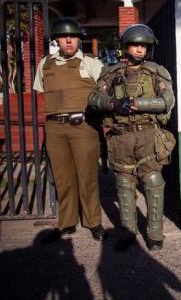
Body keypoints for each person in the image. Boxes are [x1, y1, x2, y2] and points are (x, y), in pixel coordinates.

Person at [88, 24, 175, 251]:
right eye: (135, 45)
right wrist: (114, 103)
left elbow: (168, 101)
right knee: (124, 183)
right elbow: (94, 98)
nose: (139, 50)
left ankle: (155, 235)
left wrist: (138, 104)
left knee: (153, 181)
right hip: (120, 137)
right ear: (126, 47)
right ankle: (127, 233)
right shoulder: (111, 73)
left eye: (143, 46)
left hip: (148, 134)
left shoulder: (157, 72)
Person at [33, 17, 105, 243]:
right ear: (57, 40)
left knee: (87, 177)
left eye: (72, 36)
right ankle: (67, 222)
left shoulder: (90, 63)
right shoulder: (45, 64)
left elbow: (104, 93)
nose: (68, 40)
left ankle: (93, 222)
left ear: (78, 39)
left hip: (83, 125)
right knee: (63, 178)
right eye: (64, 37)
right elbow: (41, 92)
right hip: (54, 127)